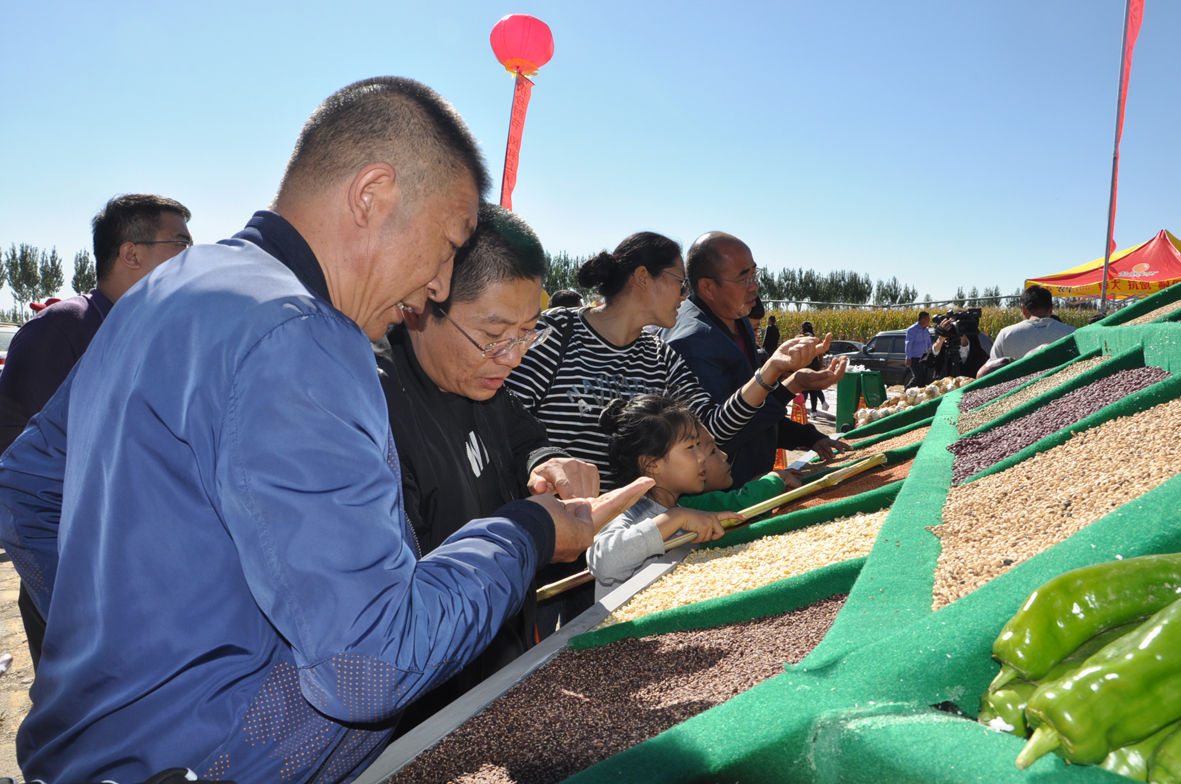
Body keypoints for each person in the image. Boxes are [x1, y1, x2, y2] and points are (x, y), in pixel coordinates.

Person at [0, 77, 644, 783]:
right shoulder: (301, 333)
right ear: (373, 195)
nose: (436, 285)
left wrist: (123, 647)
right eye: (447, 243)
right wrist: (528, 533)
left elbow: (26, 491)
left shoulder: (172, 285)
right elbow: (370, 668)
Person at [505, 231, 829, 629]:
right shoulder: (558, 334)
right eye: (678, 281)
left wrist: (771, 374)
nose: (684, 295)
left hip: (628, 540)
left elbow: (712, 430)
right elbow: (507, 420)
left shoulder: (660, 355)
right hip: (550, 543)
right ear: (644, 278)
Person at [374, 203, 603, 734]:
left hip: (501, 671)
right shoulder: (374, 410)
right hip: (426, 714)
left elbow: (523, 436)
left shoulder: (483, 380)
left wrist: (547, 463)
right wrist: (538, 532)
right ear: (421, 303)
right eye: (494, 335)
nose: (513, 357)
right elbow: (398, 627)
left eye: (528, 333)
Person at [0, 193, 192, 673]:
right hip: (79, 587)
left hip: (152, 582)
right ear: (131, 253)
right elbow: (26, 471)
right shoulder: (62, 330)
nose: (194, 259)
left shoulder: (159, 331)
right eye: (181, 245)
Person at [661, 232, 849, 487]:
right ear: (707, 287)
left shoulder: (739, 319)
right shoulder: (693, 342)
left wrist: (807, 435)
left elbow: (755, 409)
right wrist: (792, 384)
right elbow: (719, 435)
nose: (754, 285)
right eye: (744, 278)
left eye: (755, 273)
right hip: (726, 497)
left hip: (754, 482)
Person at [587, 396, 737, 596]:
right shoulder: (623, 511)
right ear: (652, 464)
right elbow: (604, 562)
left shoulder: (682, 508)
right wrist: (676, 518)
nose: (702, 456)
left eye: (699, 445)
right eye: (691, 447)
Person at [678, 422, 803, 513]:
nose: (724, 455)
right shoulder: (691, 506)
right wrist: (778, 478)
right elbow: (744, 502)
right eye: (712, 452)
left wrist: (760, 481)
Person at [991, 285, 1076, 360]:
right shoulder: (1072, 333)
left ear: (1024, 309)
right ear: (1051, 309)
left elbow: (991, 370)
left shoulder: (1006, 334)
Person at [799, 321, 828, 414]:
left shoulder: (799, 338)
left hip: (805, 363)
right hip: (814, 363)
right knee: (813, 388)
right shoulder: (815, 339)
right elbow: (820, 354)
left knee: (804, 387)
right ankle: (814, 411)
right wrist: (821, 366)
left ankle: (802, 409)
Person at [905, 311, 934, 388]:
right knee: (918, 378)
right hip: (914, 358)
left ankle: (920, 396)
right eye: (928, 319)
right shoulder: (912, 330)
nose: (929, 321)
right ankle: (906, 392)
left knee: (924, 379)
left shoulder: (926, 330)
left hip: (924, 358)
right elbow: (908, 344)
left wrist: (930, 354)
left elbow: (928, 343)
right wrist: (908, 358)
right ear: (923, 319)